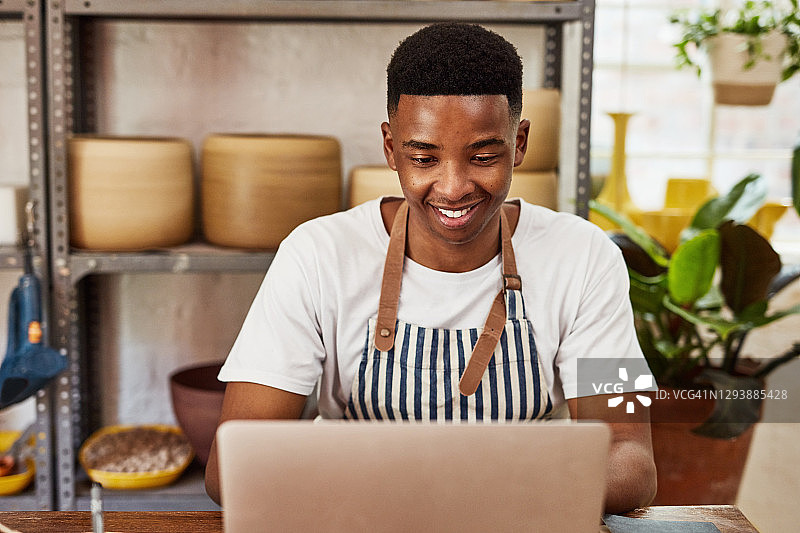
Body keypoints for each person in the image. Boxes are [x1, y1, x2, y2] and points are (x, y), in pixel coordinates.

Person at [205, 22, 657, 513]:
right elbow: (231, 469)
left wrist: (468, 497)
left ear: (520, 142)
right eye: (423, 158)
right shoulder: (316, 256)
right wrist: (431, 495)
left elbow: (631, 458)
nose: (453, 186)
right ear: (390, 147)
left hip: (521, 518)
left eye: (483, 156)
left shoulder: (586, 257)